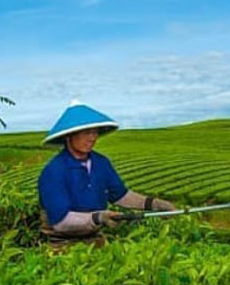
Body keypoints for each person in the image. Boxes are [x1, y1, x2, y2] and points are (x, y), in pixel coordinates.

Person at [37, 101, 176, 244]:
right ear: (68, 136)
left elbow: (120, 195)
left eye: (95, 132)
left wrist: (153, 204)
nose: (92, 138)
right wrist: (98, 218)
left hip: (94, 237)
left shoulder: (101, 163)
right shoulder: (54, 171)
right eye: (86, 133)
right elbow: (60, 221)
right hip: (59, 243)